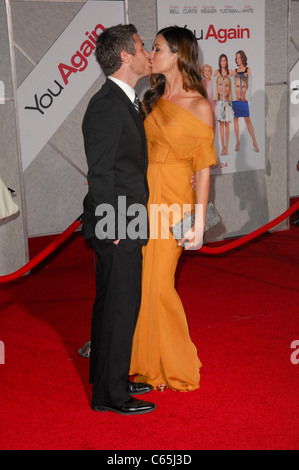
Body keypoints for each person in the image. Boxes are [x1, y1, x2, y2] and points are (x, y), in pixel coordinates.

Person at [129, 26, 217, 391]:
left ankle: (174, 363)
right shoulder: (150, 98)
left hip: (177, 200)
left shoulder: (199, 105)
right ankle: (149, 363)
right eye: (150, 48)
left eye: (158, 48)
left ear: (179, 55)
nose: (151, 54)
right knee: (144, 282)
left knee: (160, 283)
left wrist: (197, 221)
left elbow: (204, 168)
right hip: (144, 197)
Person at [81, 24, 156, 415]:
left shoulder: (125, 99)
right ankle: (111, 395)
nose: (147, 53)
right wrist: (111, 228)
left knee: (115, 304)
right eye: (143, 47)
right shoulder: (107, 105)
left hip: (126, 220)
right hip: (117, 224)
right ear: (125, 56)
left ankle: (109, 378)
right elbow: (100, 173)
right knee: (120, 305)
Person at [232, 50, 259, 153]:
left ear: (243, 58)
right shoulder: (235, 70)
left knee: (247, 120)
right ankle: (237, 141)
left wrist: (247, 76)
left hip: (243, 98)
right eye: (236, 58)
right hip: (235, 98)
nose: (238, 60)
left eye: (239, 58)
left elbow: (249, 82)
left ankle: (255, 142)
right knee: (235, 120)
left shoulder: (248, 69)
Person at [214, 74, 234, 155]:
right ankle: (223, 147)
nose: (223, 88)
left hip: (228, 106)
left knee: (227, 125)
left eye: (226, 86)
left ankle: (227, 147)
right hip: (220, 105)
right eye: (220, 85)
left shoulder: (230, 101)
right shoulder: (217, 101)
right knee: (222, 125)